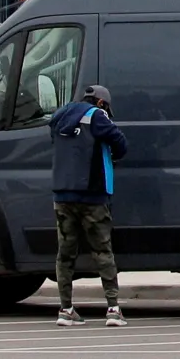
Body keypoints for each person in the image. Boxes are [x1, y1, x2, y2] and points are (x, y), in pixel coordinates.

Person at [50, 83, 128, 327]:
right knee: (102, 251)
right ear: (102, 103)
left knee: (65, 255)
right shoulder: (97, 116)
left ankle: (66, 309)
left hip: (62, 195)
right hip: (93, 195)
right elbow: (120, 143)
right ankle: (113, 309)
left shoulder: (59, 116)